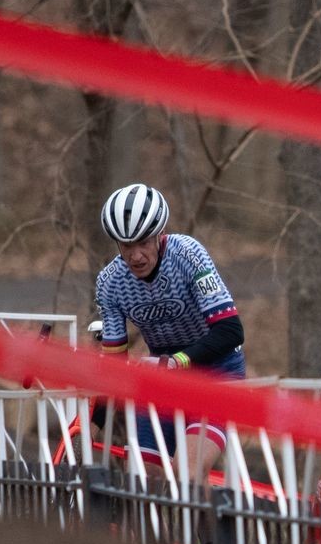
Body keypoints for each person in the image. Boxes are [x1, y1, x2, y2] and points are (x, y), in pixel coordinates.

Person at [94, 183, 244, 481]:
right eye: (126, 246)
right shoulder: (110, 283)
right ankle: (155, 530)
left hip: (214, 372)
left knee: (187, 472)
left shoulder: (188, 255)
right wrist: (92, 422)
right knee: (141, 478)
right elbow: (115, 365)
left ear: (159, 235)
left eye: (143, 242)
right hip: (162, 378)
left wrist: (176, 361)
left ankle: (207, 530)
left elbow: (231, 331)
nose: (135, 256)